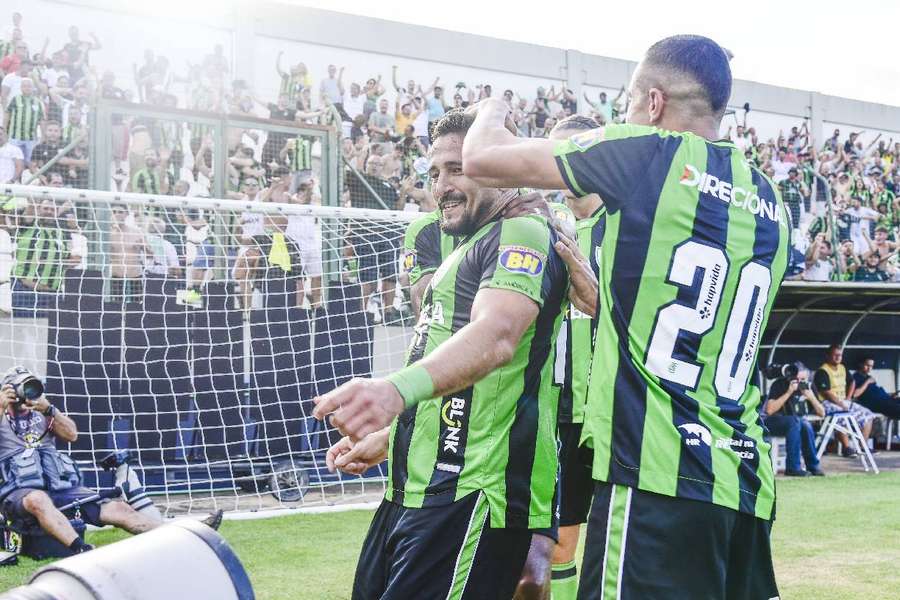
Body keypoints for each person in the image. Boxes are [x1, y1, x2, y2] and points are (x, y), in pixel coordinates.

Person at [460, 35, 786, 599]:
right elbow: (694, 321)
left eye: (627, 104)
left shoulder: (644, 151)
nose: (622, 117)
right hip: (744, 481)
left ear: (653, 104)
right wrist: (606, 301)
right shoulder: (770, 200)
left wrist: (491, 106)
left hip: (655, 472)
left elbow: (480, 160)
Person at [313, 109, 569, 599]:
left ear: (504, 167)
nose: (442, 186)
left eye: (458, 168)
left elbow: (496, 338)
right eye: (434, 173)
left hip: (472, 489)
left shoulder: (523, 232)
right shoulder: (464, 245)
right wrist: (398, 433)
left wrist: (392, 391)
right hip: (415, 485)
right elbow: (463, 376)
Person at [545, 116, 606, 600]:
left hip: (615, 414)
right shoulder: (545, 228)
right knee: (557, 543)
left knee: (615, 541)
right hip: (559, 413)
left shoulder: (627, 226)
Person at [0, 369, 158, 555]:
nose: (28, 393)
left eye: (32, 386)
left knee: (118, 508)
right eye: (23, 387)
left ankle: (173, 537)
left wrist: (50, 410)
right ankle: (82, 549)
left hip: (59, 488)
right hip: (19, 493)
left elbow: (72, 435)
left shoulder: (43, 413)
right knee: (38, 499)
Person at [762, 365, 825, 476]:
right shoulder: (779, 384)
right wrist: (789, 392)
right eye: (798, 379)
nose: (800, 382)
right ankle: (793, 467)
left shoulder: (808, 387)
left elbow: (822, 413)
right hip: (772, 422)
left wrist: (811, 397)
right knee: (795, 421)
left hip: (795, 424)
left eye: (803, 379)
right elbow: (769, 410)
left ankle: (813, 466)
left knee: (805, 424)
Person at [814, 344, 875, 457]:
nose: (838, 357)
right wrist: (841, 404)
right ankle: (847, 448)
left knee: (868, 414)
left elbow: (852, 382)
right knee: (842, 415)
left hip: (843, 401)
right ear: (828, 356)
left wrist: (848, 398)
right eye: (835, 355)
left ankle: (862, 447)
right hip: (827, 403)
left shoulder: (843, 367)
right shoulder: (822, 371)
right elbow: (826, 393)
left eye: (840, 355)